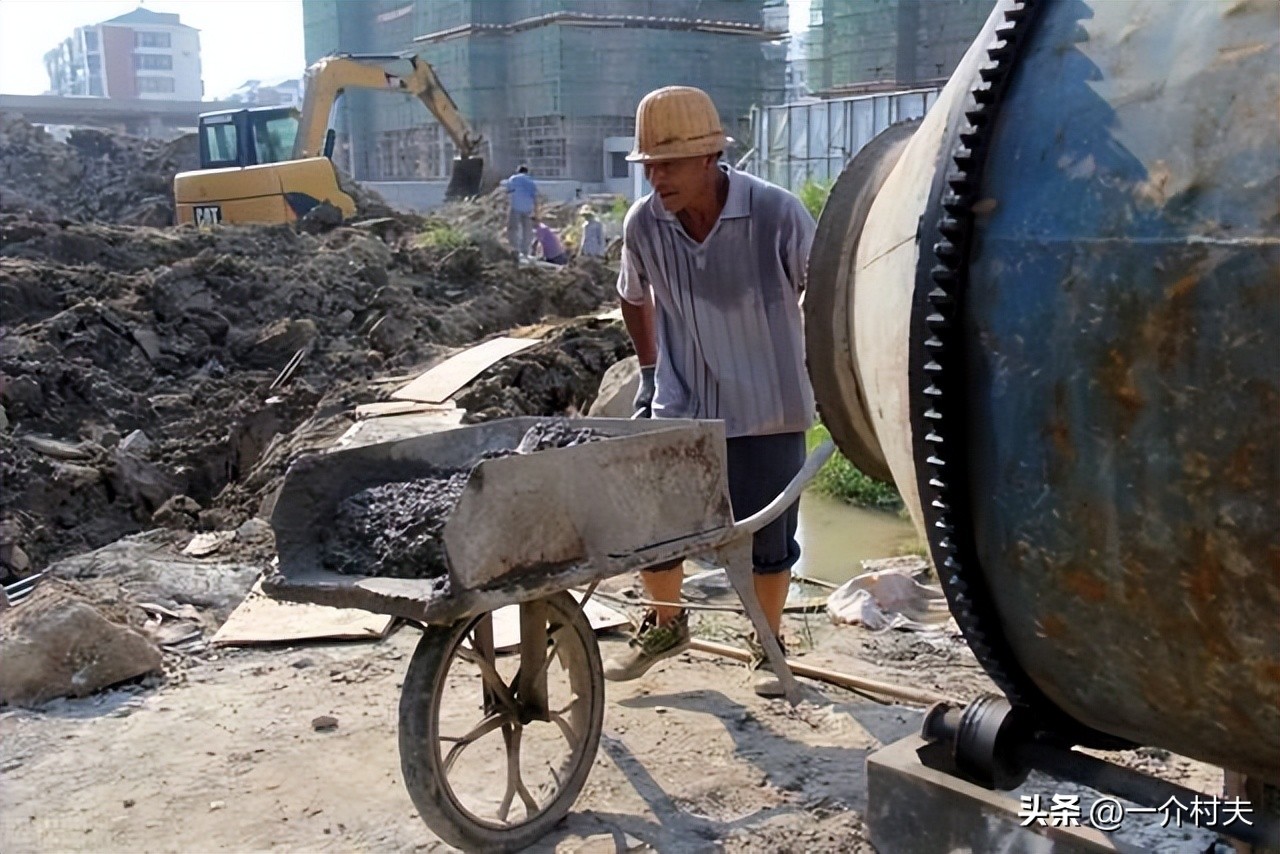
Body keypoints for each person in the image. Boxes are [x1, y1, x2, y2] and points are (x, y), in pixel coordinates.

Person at [601, 86, 816, 697]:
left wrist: (829, 374)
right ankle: (668, 625)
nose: (657, 178)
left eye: (668, 165)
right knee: (654, 526)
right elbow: (631, 294)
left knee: (768, 540)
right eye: (649, 167)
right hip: (682, 403)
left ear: (709, 159)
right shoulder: (645, 223)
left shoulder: (776, 214)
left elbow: (823, 293)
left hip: (768, 405)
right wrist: (648, 372)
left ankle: (767, 641)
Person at [504, 165, 537, 256]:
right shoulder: (531, 181)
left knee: (513, 228)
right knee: (527, 230)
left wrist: (506, 206)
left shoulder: (513, 178)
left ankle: (514, 249)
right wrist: (536, 212)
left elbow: (508, 192)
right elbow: (535, 198)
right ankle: (525, 251)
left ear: (518, 171)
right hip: (528, 209)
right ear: (526, 172)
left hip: (515, 207)